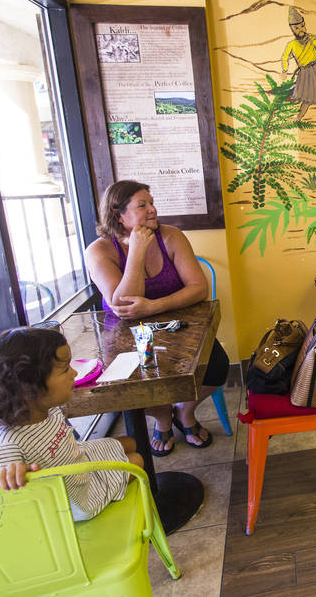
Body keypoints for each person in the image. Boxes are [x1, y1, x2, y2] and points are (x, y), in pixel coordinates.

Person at [85, 180, 230, 456]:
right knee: (131, 386)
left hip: (179, 329)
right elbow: (124, 304)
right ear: (119, 215)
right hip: (125, 336)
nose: (152, 210)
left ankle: (184, 413)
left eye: (151, 202)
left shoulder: (171, 236)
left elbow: (198, 288)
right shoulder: (99, 251)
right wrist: (137, 251)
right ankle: (162, 418)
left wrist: (153, 306)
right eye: (143, 205)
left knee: (217, 367)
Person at [0, 328, 143, 520]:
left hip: (73, 458)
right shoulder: (6, 447)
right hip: (76, 497)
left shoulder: (42, 407)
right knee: (136, 461)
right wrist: (14, 476)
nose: (75, 373)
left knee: (130, 442)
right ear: (29, 386)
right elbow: (8, 499)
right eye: (65, 370)